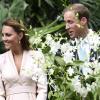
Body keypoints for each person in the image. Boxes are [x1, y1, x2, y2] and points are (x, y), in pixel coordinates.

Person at [0, 19, 47, 100]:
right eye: (2, 35)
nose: (4, 39)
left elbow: (43, 90)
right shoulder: (1, 59)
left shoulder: (37, 56)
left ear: (20, 36)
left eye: (8, 35)